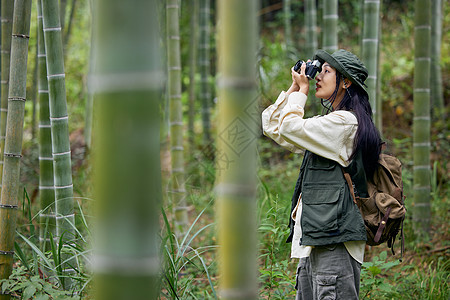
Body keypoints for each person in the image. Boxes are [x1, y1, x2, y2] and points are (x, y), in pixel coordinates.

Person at [261, 49, 382, 299]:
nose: (318, 76)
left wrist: (303, 92)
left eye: (326, 71)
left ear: (346, 81)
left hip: (334, 243)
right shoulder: (329, 123)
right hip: (316, 238)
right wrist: (295, 86)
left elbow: (290, 126)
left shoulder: (345, 123)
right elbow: (273, 126)